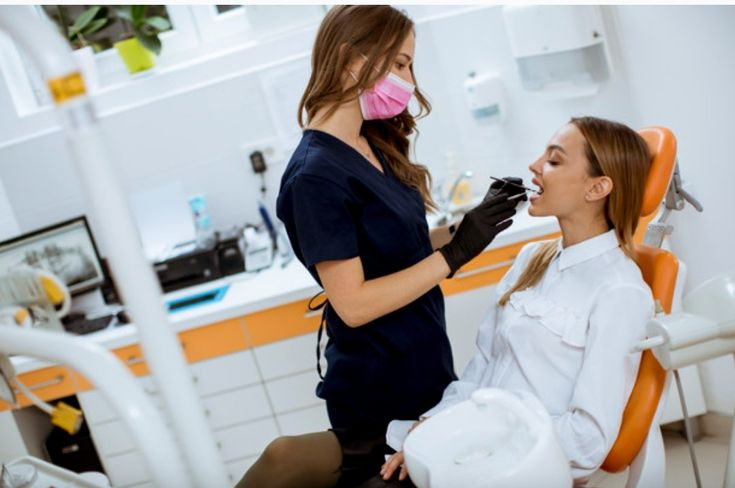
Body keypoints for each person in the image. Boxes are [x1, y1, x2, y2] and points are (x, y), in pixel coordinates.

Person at [236, 6, 519, 488]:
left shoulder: (371, 144)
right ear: (351, 60)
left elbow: (399, 250)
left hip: (423, 365)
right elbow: (355, 305)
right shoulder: (314, 177)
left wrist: (467, 230)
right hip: (377, 386)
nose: (409, 81)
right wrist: (453, 256)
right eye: (401, 64)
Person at [380, 116, 655, 486]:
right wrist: (431, 428)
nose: (534, 165)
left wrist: (480, 450)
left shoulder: (620, 291)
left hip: (519, 469)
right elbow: (481, 372)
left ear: (597, 188)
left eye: (554, 160)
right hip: (474, 448)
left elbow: (587, 440)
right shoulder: (531, 259)